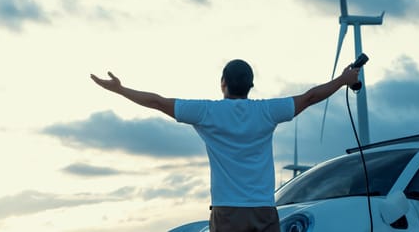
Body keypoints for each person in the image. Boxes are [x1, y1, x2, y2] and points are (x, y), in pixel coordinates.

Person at [91, 59, 359, 232]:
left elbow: (157, 102)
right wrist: (343, 80)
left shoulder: (207, 112)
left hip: (227, 212)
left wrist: (120, 89)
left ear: (223, 83)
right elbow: (311, 97)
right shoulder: (267, 111)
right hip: (263, 210)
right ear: (251, 86)